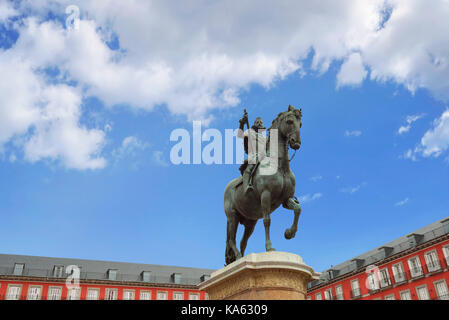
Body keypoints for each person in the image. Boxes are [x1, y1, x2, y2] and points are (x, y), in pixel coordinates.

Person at [237, 111, 267, 194]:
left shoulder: (265, 138)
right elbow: (240, 135)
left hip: (264, 157)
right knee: (249, 169)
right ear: (254, 124)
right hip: (253, 156)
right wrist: (242, 123)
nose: (259, 123)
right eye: (257, 122)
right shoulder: (249, 132)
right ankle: (246, 186)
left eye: (261, 122)